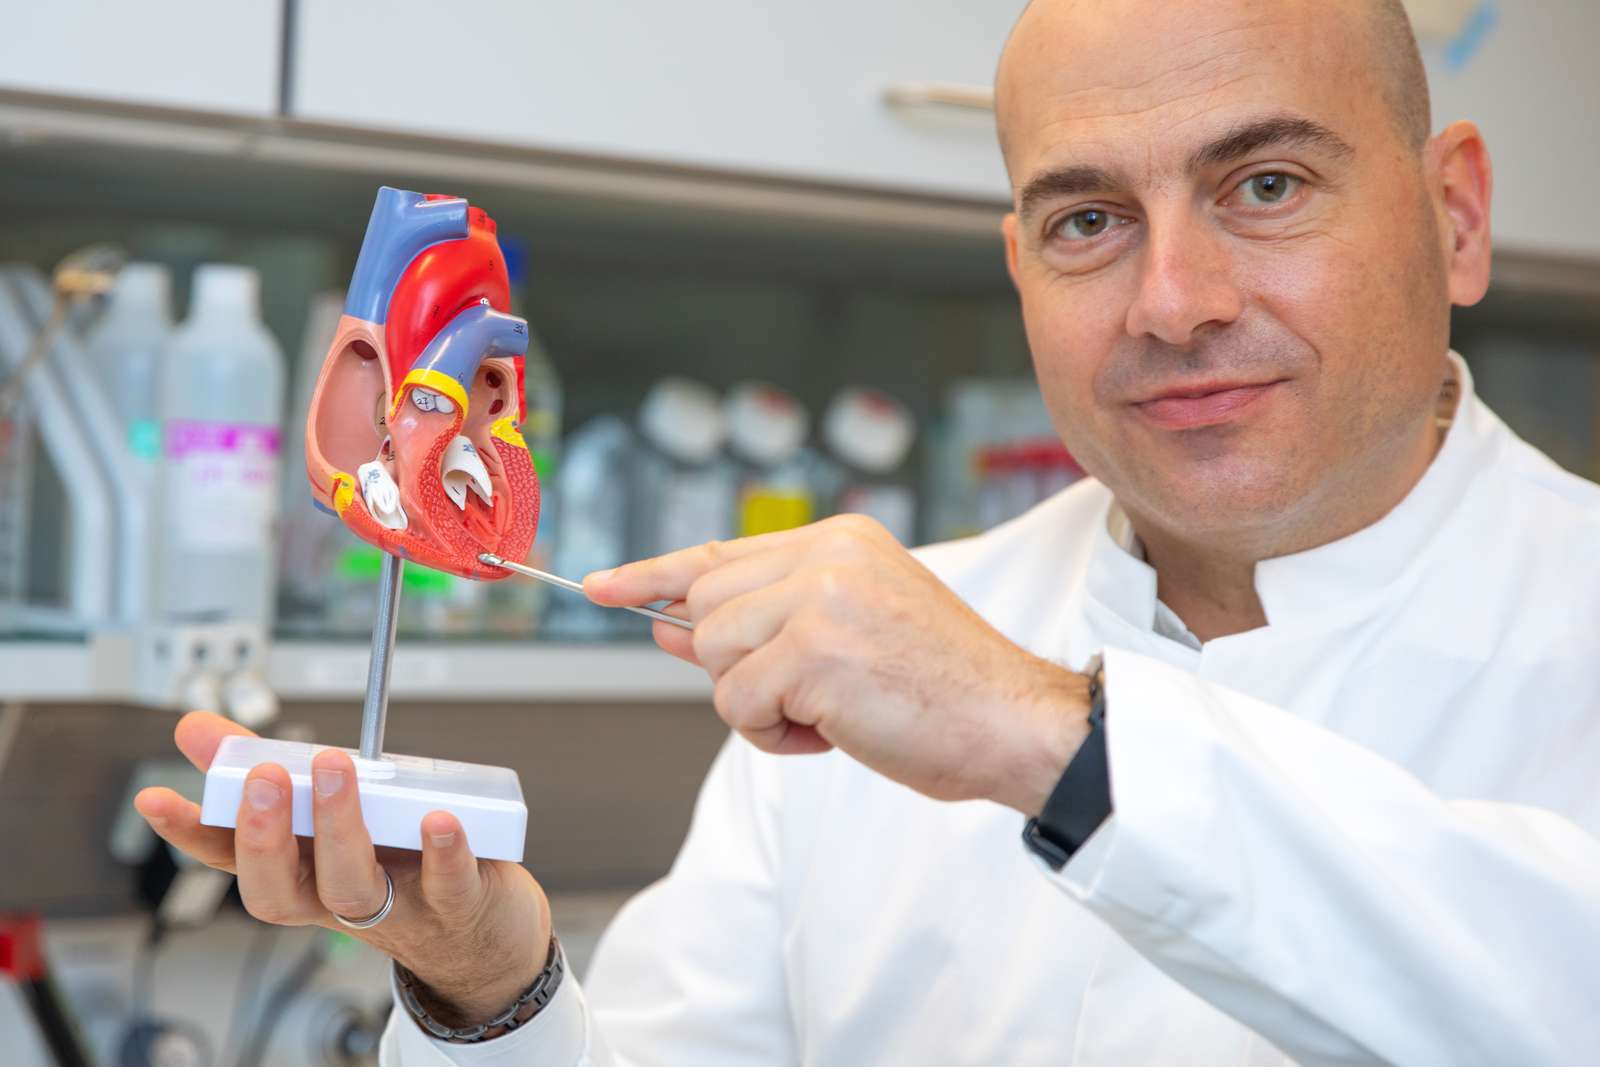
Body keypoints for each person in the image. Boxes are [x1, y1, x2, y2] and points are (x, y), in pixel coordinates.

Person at [135, 0, 1600, 1062]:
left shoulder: (924, 664)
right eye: (1088, 220)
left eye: (1266, 186)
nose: (1176, 301)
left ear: (1453, 215)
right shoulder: (875, 643)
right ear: (1020, 267)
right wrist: (489, 988)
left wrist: (1050, 740)